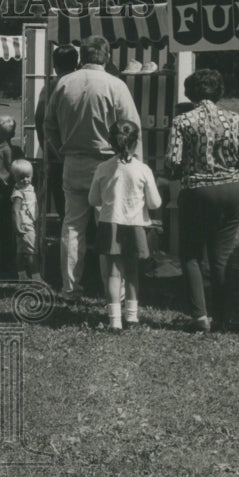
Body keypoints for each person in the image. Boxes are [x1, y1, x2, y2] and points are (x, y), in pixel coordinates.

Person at [44, 35, 141, 303]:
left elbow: (49, 125)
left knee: (72, 226)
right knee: (108, 227)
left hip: (73, 161)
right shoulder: (116, 85)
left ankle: (70, 287)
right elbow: (132, 127)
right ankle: (114, 291)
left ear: (82, 56)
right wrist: (132, 162)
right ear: (107, 56)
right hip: (107, 162)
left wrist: (61, 149)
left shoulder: (63, 83)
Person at [165, 68, 239, 332]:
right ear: (219, 91)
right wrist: (230, 166)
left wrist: (182, 171)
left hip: (197, 189)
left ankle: (199, 316)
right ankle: (222, 317)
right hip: (232, 188)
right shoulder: (235, 119)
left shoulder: (182, 122)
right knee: (223, 256)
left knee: (192, 254)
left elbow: (172, 163)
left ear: (190, 92)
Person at [88, 120, 162, 332]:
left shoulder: (103, 168)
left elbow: (93, 200)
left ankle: (114, 321)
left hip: (110, 223)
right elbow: (155, 203)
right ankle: (132, 317)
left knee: (113, 274)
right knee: (132, 273)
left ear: (110, 141)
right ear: (136, 141)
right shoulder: (143, 169)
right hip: (135, 225)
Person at [34, 44, 78, 219]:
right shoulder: (83, 83)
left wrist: (49, 150)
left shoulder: (52, 86)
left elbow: (40, 120)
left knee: (65, 209)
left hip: (58, 154)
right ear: (77, 62)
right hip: (86, 154)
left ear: (54, 65)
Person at [0, 116, 24, 278]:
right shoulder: (17, 152)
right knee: (10, 231)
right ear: (13, 134)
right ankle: (10, 265)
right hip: (12, 194)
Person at [10, 159, 42, 282]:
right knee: (31, 251)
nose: (25, 180)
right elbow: (15, 211)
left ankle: (22, 275)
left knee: (21, 251)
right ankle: (36, 277)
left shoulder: (29, 188)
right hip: (25, 224)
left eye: (28, 177)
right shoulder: (18, 193)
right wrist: (17, 226)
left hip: (28, 222)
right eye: (21, 177)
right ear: (15, 178)